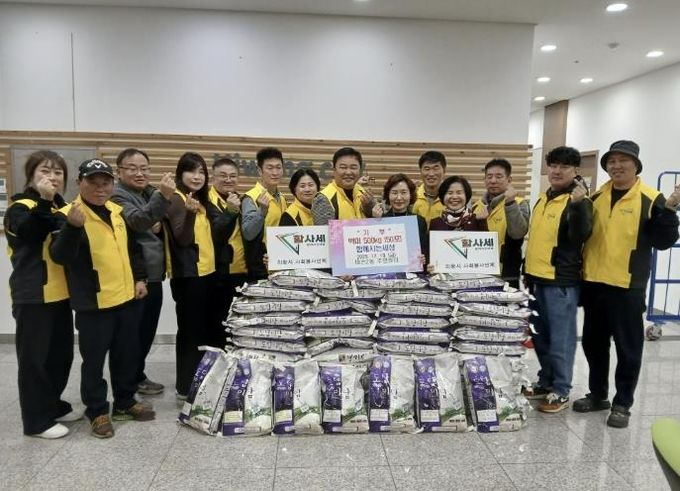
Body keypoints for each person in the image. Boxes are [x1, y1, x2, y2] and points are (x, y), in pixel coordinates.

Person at [575, 140, 680, 428]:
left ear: (636, 165)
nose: (616, 166)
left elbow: (663, 241)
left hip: (627, 286)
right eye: (612, 161)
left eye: (623, 160)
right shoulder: (596, 196)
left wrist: (671, 209)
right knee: (594, 345)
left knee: (628, 348)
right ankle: (598, 395)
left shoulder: (651, 198)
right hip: (594, 283)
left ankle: (622, 403)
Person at [50, 158, 155, 439]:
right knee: (94, 362)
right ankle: (97, 411)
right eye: (93, 183)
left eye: (105, 183)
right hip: (93, 303)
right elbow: (60, 256)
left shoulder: (117, 211)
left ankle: (125, 402)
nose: (100, 188)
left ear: (112, 184)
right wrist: (73, 227)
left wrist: (140, 278)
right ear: (79, 183)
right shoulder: (67, 214)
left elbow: (132, 250)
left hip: (126, 298)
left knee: (126, 356)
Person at [4, 150, 79, 439]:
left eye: (58, 172)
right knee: (34, 359)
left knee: (60, 356)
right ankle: (36, 421)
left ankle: (52, 405)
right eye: (45, 171)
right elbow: (32, 233)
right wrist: (45, 201)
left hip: (62, 293)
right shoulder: (19, 207)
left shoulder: (64, 207)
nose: (52, 177)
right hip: (33, 294)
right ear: (31, 175)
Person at [523, 146, 592, 413]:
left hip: (560, 282)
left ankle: (561, 390)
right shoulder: (544, 198)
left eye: (564, 166)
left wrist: (578, 205)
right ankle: (546, 381)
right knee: (540, 337)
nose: (557, 171)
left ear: (575, 170)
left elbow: (580, 235)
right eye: (553, 165)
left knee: (561, 340)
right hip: (536, 279)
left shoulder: (579, 201)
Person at [165, 152, 232, 399]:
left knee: (205, 330)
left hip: (208, 273)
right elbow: (182, 239)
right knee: (190, 332)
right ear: (180, 174)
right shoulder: (177, 199)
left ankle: (203, 379)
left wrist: (231, 212)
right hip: (189, 277)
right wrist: (191, 213)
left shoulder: (202, 201)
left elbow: (218, 234)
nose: (197, 176)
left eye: (201, 171)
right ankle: (185, 386)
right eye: (191, 171)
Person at [112, 148, 175, 397]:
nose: (139, 173)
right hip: (135, 277)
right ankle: (126, 386)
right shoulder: (117, 195)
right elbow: (137, 221)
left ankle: (136, 376)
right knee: (131, 335)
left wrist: (157, 222)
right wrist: (162, 197)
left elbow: (154, 220)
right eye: (132, 168)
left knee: (145, 332)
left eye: (144, 168)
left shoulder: (145, 193)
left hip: (154, 275)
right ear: (119, 172)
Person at [472, 159, 530, 288]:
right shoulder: (476, 206)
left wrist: (510, 203)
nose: (493, 181)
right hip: (477, 272)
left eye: (499, 176)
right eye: (489, 176)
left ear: (509, 180)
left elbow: (518, 233)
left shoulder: (519, 203)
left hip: (506, 274)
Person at [241, 147, 287, 280]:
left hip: (280, 263)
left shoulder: (282, 198)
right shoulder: (251, 197)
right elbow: (248, 233)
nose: (275, 172)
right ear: (260, 171)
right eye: (270, 168)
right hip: (260, 267)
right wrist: (262, 211)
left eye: (278, 167)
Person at [207, 157, 242, 327]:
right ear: (213, 178)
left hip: (240, 269)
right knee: (218, 322)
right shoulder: (206, 201)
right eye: (223, 175)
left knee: (237, 323)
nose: (228, 180)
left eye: (232, 176)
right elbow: (218, 234)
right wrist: (230, 211)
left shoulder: (240, 198)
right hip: (218, 272)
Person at [374, 173, 429, 265]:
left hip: (412, 271)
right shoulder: (381, 220)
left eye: (403, 192)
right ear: (388, 195)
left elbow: (424, 251)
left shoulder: (419, 221)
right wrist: (375, 223)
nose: (399, 198)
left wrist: (423, 258)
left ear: (410, 195)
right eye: (394, 193)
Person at [312, 147, 374, 224]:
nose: (348, 172)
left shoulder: (363, 192)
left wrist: (369, 209)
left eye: (353, 168)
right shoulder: (323, 199)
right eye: (343, 167)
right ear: (334, 170)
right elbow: (323, 231)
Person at [412, 150, 446, 226]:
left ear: (444, 170)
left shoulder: (451, 198)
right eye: (427, 169)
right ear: (420, 171)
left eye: (436, 168)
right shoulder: (412, 196)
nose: (431, 174)